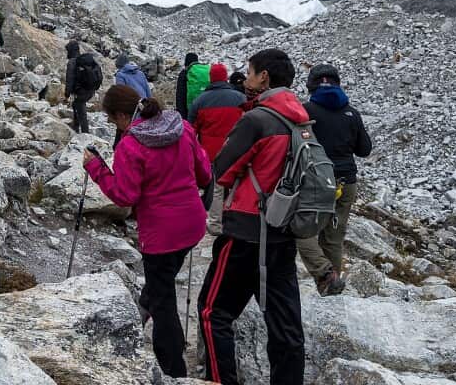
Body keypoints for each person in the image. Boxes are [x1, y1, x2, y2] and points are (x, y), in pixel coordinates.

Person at [83, 86, 211, 378]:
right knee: (160, 285)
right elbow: (204, 174)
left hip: (160, 235)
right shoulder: (183, 127)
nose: (116, 128)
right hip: (192, 225)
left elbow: (124, 196)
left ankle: (173, 367)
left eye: (114, 122)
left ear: (121, 115)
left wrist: (96, 168)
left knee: (163, 298)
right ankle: (140, 314)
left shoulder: (131, 145)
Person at [197, 48, 306, 385]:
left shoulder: (257, 120)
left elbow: (222, 170)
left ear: (265, 78)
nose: (245, 78)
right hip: (283, 233)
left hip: (245, 233)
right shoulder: (301, 120)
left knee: (213, 312)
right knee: (286, 326)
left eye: (250, 71)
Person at [297, 64, 372, 296]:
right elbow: (364, 150)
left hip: (316, 181)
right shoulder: (351, 112)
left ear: (311, 85)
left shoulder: (305, 111)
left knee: (301, 230)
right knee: (334, 237)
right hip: (346, 181)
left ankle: (323, 272)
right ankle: (332, 286)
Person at [188, 63, 248, 234]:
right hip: (236, 149)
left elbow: (191, 130)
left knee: (217, 188)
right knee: (237, 186)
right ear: (225, 77)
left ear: (211, 79)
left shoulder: (200, 100)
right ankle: (236, 221)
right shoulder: (240, 98)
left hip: (212, 152)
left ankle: (215, 224)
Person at [65, 41, 101, 134]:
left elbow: (69, 79)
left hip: (82, 91)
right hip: (90, 89)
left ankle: (86, 133)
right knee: (76, 104)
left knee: (80, 109)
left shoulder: (73, 62)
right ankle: (76, 128)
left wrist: (67, 94)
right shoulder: (86, 60)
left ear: (70, 50)